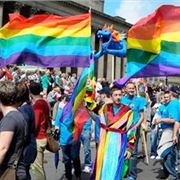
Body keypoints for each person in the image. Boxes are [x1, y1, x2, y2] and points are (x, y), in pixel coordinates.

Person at [85, 84, 135, 180]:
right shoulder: (104, 108)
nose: (118, 97)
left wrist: (129, 149)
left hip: (119, 143)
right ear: (111, 96)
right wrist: (89, 89)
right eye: (115, 95)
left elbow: (130, 130)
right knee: (103, 164)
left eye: (120, 95)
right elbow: (90, 105)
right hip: (104, 142)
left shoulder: (128, 111)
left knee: (115, 166)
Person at [121, 82, 147, 180]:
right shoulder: (122, 99)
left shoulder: (139, 100)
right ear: (125, 89)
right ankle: (123, 171)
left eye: (133, 88)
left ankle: (132, 175)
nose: (132, 90)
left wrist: (136, 126)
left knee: (132, 152)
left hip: (134, 128)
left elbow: (142, 116)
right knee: (123, 150)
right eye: (129, 88)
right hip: (123, 129)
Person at [0, 80, 26, 179]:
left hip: (9, 171)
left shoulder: (10, 119)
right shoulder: (17, 114)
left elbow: (2, 149)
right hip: (17, 169)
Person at [54, 94, 81, 180]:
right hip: (68, 140)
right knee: (72, 158)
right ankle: (74, 175)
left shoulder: (74, 112)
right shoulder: (73, 111)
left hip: (70, 140)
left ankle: (73, 175)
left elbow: (57, 126)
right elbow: (57, 126)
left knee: (70, 159)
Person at [15, 81, 37, 180]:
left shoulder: (24, 110)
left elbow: (24, 131)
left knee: (23, 174)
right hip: (29, 147)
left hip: (26, 149)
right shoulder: (28, 107)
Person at [154, 91, 178, 180]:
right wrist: (157, 119)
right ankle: (166, 173)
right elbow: (158, 116)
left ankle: (173, 175)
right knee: (164, 154)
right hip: (163, 131)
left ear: (171, 96)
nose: (165, 98)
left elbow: (174, 120)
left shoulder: (174, 104)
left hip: (170, 131)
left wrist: (161, 120)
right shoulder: (164, 105)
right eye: (164, 97)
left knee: (167, 153)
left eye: (167, 97)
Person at [29, 82, 50, 180]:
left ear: (30, 92)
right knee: (38, 167)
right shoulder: (44, 102)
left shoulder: (37, 105)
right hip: (43, 135)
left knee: (37, 168)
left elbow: (35, 124)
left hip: (38, 137)